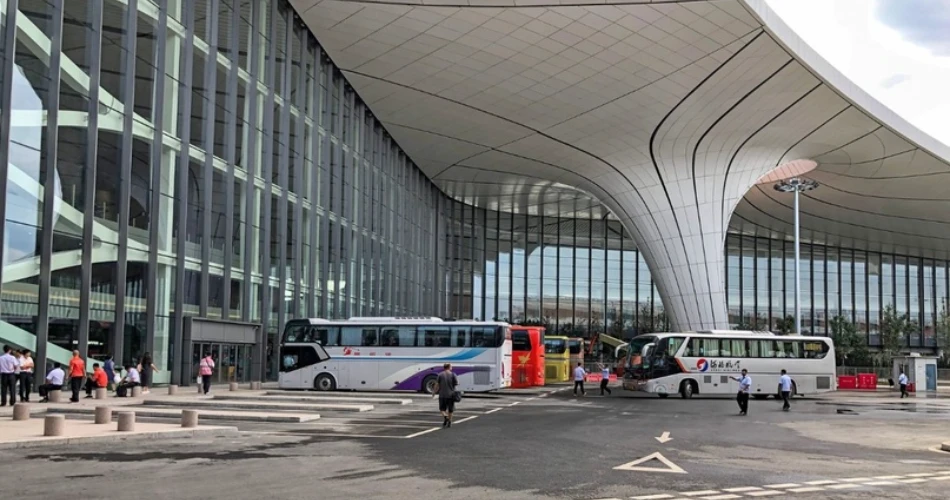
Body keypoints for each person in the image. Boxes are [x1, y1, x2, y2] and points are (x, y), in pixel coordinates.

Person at [432, 363, 458, 428]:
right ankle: (449, 422)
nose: (452, 367)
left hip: (442, 395)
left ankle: (445, 417)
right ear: (449, 367)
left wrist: (434, 392)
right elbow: (456, 383)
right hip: (451, 395)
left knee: (442, 409)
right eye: (451, 366)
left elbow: (437, 385)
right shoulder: (453, 374)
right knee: (450, 409)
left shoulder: (440, 375)